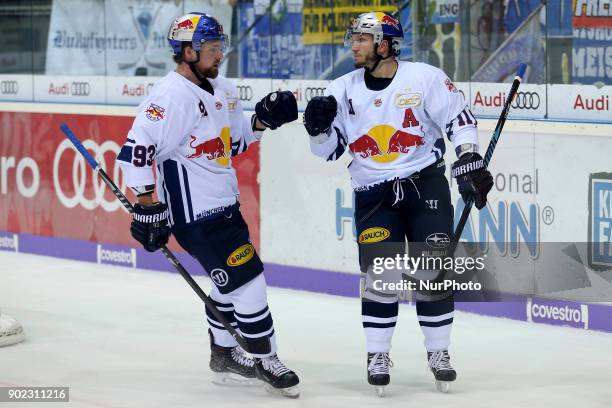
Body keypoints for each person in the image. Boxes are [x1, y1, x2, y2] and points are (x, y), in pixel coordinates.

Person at [303, 12, 493, 396]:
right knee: (380, 275)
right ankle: (377, 355)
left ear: (385, 44)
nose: (353, 45)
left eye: (361, 39)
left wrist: (469, 157)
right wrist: (317, 128)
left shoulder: (424, 77)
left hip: (426, 186)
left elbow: (459, 118)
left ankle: (439, 353)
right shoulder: (341, 88)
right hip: (373, 195)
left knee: (433, 271)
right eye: (353, 38)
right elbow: (326, 152)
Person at [117, 12, 300, 398]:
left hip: (224, 206)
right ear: (187, 51)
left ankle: (224, 352)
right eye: (212, 48)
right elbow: (137, 148)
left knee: (227, 281)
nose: (219, 55)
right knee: (249, 282)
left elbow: (231, 142)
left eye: (221, 47)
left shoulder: (223, 88)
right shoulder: (171, 96)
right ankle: (266, 358)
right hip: (194, 215)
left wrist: (264, 121)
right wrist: (147, 204)